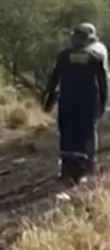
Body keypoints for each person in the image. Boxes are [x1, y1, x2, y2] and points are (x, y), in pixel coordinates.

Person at [42, 22, 108, 183]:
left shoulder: (64, 55)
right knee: (86, 133)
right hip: (88, 102)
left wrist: (48, 99)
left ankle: (68, 170)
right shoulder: (96, 56)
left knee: (68, 133)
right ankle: (86, 168)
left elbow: (53, 79)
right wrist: (103, 104)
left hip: (68, 101)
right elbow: (103, 84)